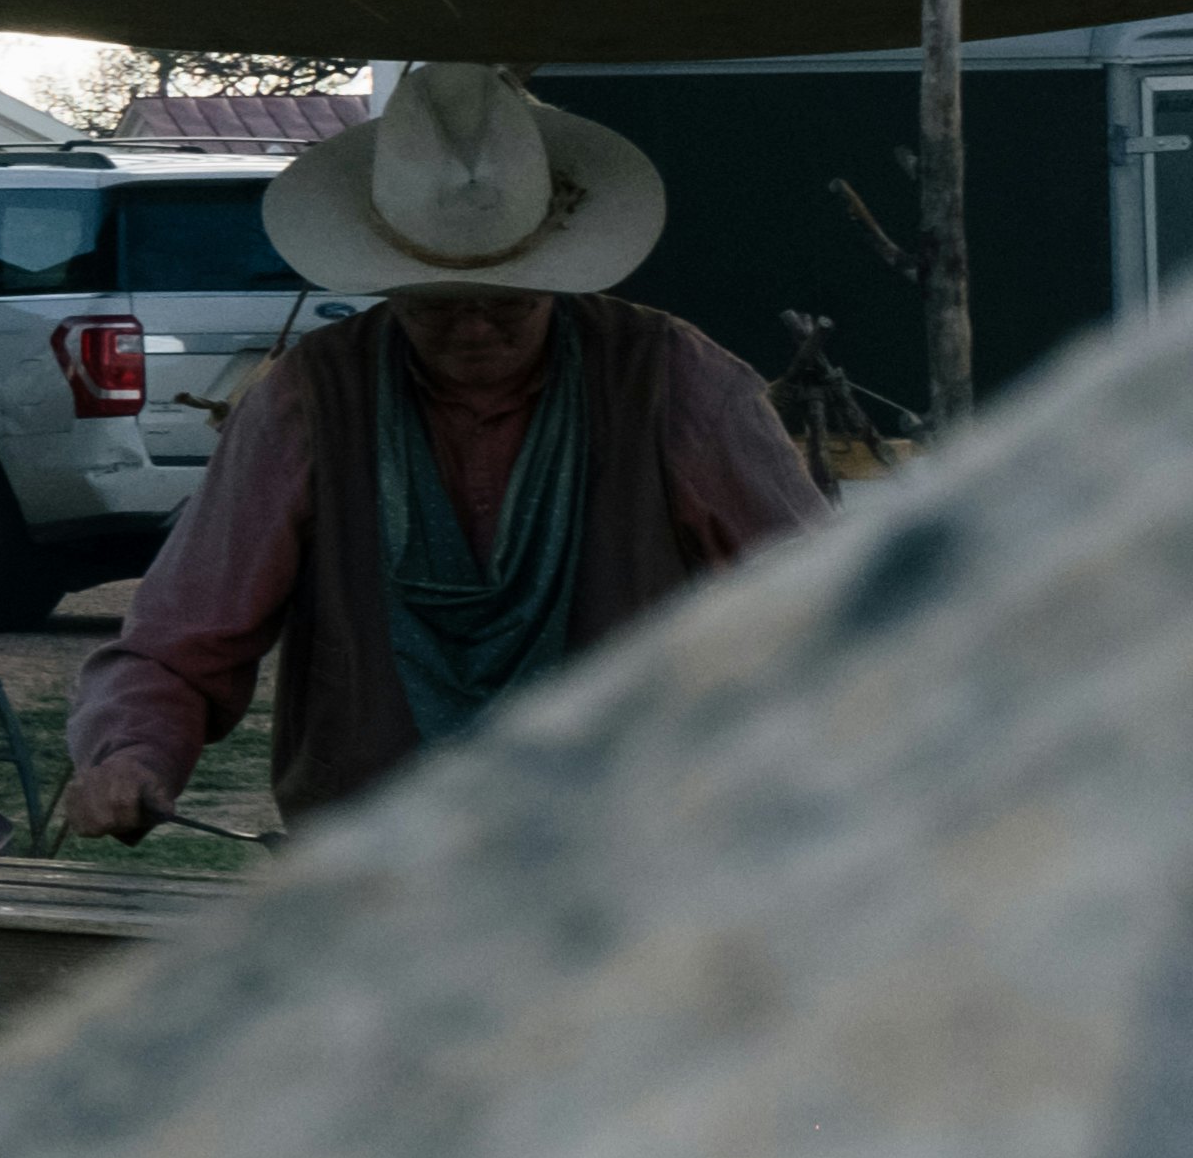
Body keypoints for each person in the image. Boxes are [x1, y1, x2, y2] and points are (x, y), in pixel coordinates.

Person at [59, 63, 818, 842]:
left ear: (555, 276)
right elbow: (186, 632)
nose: (476, 331)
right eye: (438, 308)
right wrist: (132, 752)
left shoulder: (674, 381)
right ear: (389, 287)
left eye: (507, 304)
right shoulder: (310, 397)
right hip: (371, 851)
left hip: (636, 843)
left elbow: (819, 604)